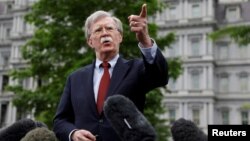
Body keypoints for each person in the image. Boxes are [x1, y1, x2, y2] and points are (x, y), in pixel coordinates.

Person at [53, 4, 168, 141]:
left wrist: (145, 40)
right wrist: (73, 133)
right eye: (98, 30)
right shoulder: (75, 78)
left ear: (119, 37)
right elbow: (60, 121)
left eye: (109, 28)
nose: (105, 33)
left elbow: (160, 76)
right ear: (90, 41)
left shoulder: (136, 69)